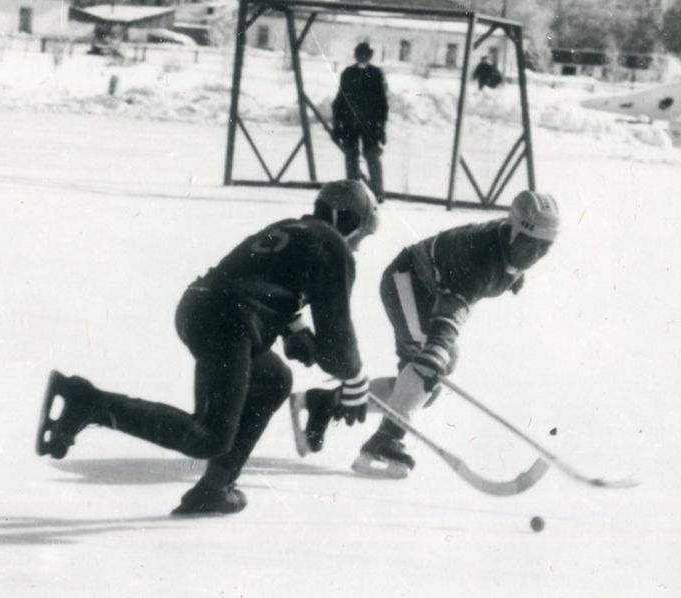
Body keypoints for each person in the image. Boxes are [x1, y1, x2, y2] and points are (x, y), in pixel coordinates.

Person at [36, 179, 380, 514]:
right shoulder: (334, 246)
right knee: (209, 438)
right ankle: (89, 402)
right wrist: (355, 377)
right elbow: (338, 349)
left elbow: (256, 278)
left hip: (199, 308)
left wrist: (293, 327)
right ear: (346, 219)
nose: (358, 245)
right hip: (230, 323)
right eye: (361, 234)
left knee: (274, 379)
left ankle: (215, 489)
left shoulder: (289, 228)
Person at [293, 190, 560, 478]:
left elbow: (508, 262)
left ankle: (326, 403)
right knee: (434, 365)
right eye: (530, 245)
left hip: (427, 290)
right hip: (408, 282)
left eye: (543, 248)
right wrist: (436, 352)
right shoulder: (480, 258)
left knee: (423, 390)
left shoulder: (508, 244)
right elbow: (450, 312)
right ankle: (385, 439)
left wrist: (515, 275)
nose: (534, 255)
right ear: (514, 231)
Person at [332, 42, 389, 203]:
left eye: (366, 54)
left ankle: (378, 193)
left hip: (369, 123)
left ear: (370, 56)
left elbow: (382, 103)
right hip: (350, 122)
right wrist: (337, 125)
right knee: (351, 156)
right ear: (356, 55)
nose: (363, 57)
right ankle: (354, 192)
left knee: (372, 156)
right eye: (360, 54)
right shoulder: (348, 73)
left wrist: (381, 127)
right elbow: (340, 100)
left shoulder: (376, 74)